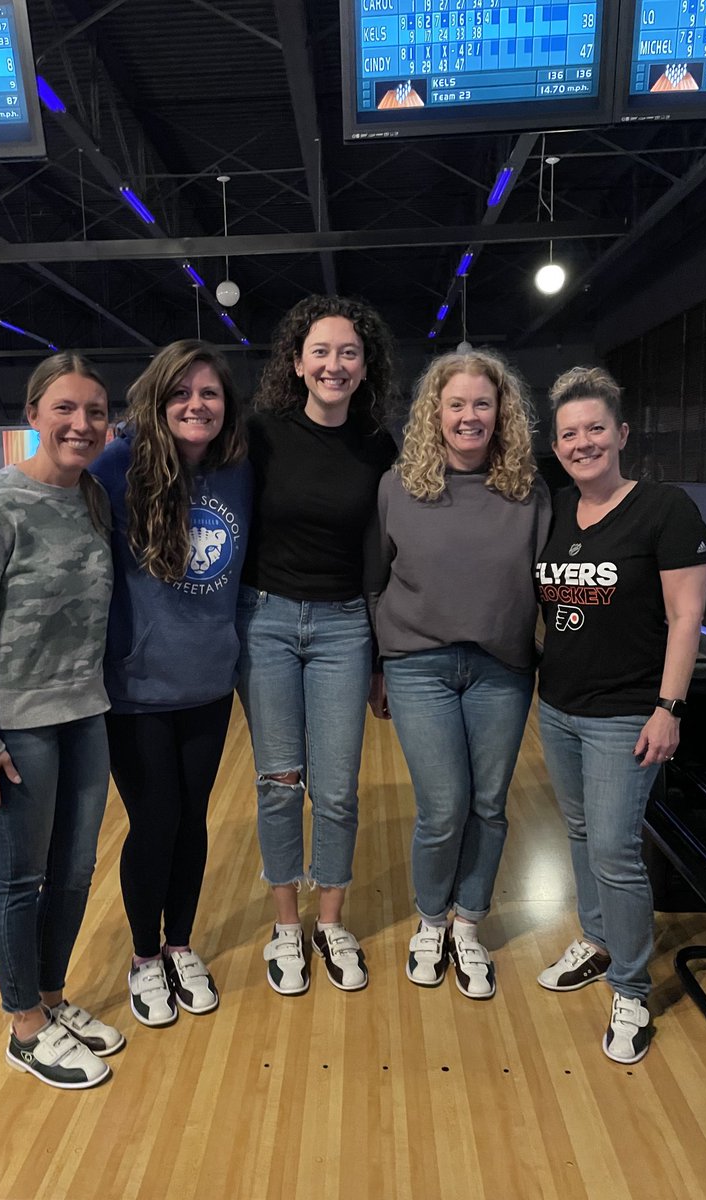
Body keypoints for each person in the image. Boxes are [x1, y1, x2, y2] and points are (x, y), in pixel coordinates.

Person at [0, 353, 122, 1091]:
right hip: (12, 727)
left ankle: (50, 997)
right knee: (21, 878)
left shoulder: (94, 499)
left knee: (74, 872)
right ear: (34, 415)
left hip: (84, 713)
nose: (82, 423)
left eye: (96, 411)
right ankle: (23, 1025)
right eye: (65, 408)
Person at [535, 365, 706, 1064]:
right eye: (569, 434)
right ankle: (599, 940)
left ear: (622, 433)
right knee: (581, 833)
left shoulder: (665, 509)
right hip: (558, 706)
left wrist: (669, 707)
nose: (583, 443)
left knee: (614, 848)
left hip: (626, 713)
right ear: (556, 445)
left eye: (595, 429)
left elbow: (686, 616)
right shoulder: (555, 509)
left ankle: (632, 989)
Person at [369, 350, 550, 998]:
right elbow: (374, 581)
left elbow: (552, 581)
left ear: (501, 412)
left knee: (488, 805)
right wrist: (377, 668)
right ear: (434, 412)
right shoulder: (398, 487)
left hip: (502, 667)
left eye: (482, 403)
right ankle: (430, 921)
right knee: (443, 806)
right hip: (419, 664)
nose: (469, 415)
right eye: (456, 404)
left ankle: (468, 924)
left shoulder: (529, 490)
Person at [237, 295, 398, 995]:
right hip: (266, 619)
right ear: (298, 363)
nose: (335, 364)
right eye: (321, 352)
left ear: (365, 367)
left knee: (335, 789)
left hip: (343, 627)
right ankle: (285, 925)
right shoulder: (260, 434)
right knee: (279, 783)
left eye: (349, 353)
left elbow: (380, 552)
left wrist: (383, 656)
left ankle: (330, 921)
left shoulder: (377, 444)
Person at [91, 340, 250, 1026]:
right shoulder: (117, 467)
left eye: (209, 393)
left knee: (191, 821)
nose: (196, 405)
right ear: (156, 401)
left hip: (209, 683)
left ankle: (180, 944)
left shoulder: (237, 468)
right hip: (135, 688)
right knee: (155, 821)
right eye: (180, 393)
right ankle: (144, 956)